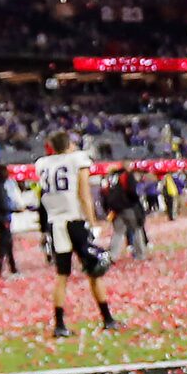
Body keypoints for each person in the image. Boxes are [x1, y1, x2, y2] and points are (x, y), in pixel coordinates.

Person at [33, 131, 118, 338]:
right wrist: (93, 223)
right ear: (69, 144)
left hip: (55, 222)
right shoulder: (77, 159)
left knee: (62, 275)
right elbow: (84, 194)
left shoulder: (43, 163)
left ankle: (59, 324)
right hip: (75, 220)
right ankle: (107, 318)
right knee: (95, 270)